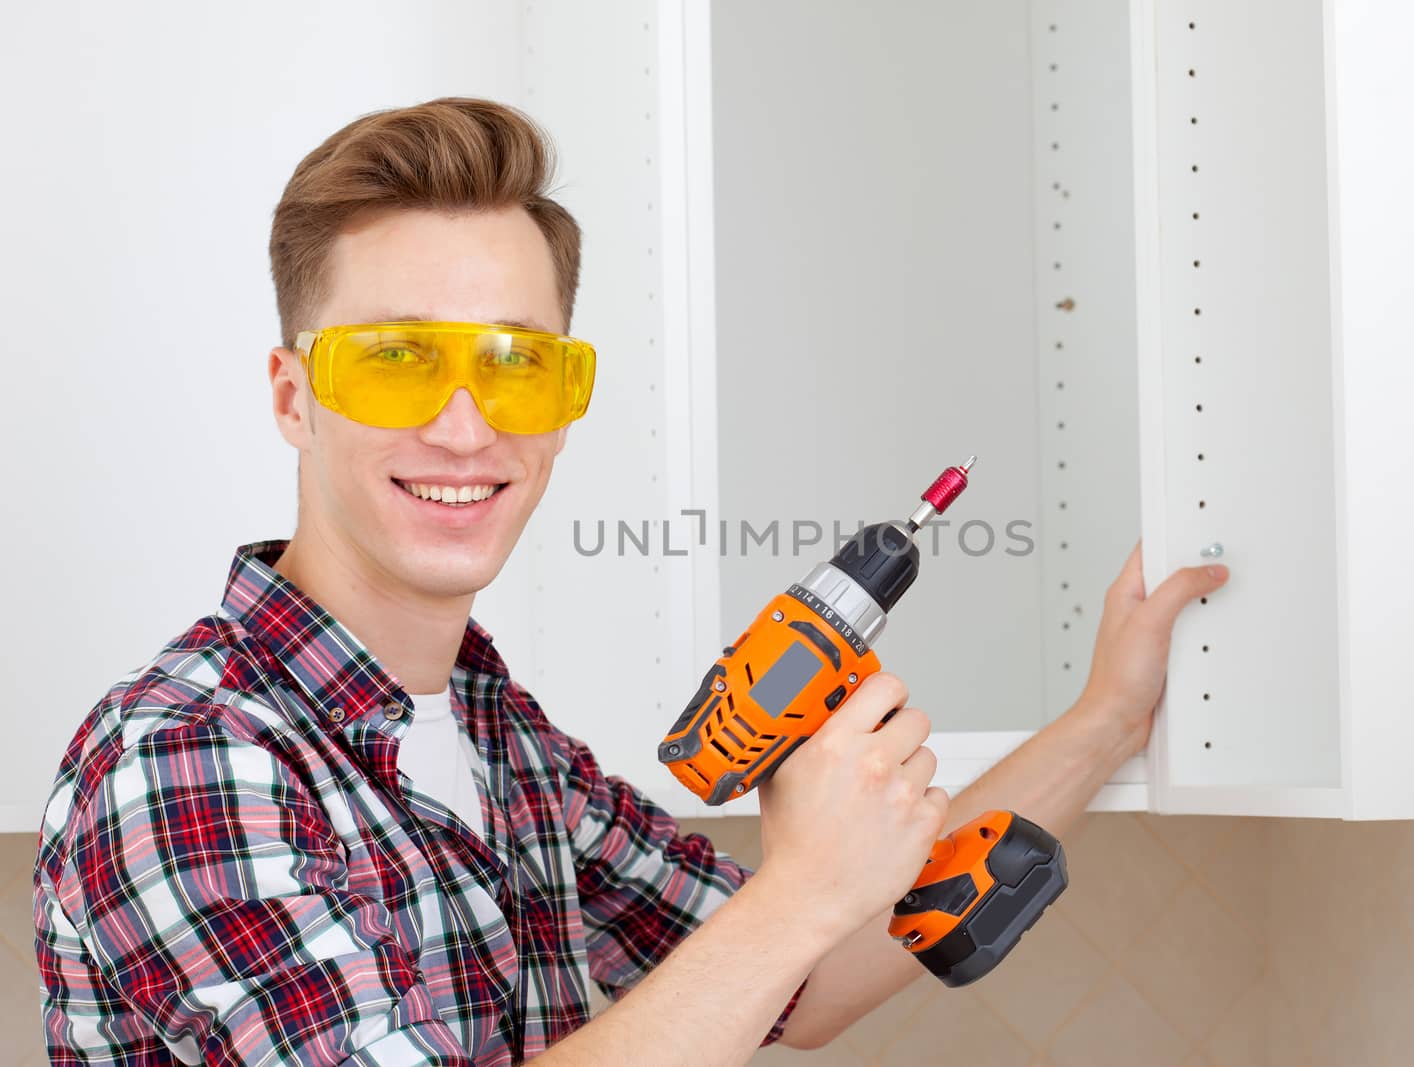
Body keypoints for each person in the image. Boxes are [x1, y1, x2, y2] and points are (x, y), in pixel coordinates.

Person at [32, 97, 1229, 1066]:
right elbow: (789, 928)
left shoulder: (507, 744)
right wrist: (801, 887)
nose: (464, 426)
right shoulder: (187, 755)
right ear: (294, 395)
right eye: (395, 360)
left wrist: (1105, 716)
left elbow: (797, 982)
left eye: (517, 364)